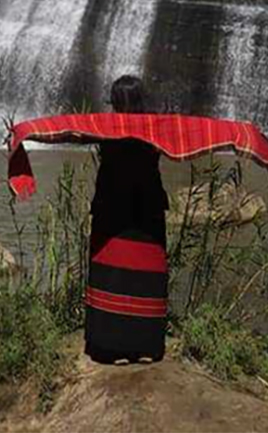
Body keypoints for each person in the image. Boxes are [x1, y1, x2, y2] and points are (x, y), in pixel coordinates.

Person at [85, 75, 169, 365]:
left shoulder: (104, 125)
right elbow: (192, 139)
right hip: (147, 207)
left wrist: (23, 134)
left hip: (112, 206)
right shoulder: (158, 126)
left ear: (115, 102)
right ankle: (146, 345)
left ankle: (110, 347)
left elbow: (65, 131)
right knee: (146, 276)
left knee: (112, 274)